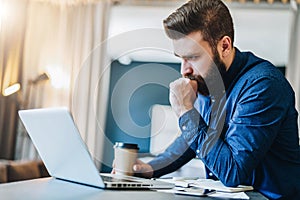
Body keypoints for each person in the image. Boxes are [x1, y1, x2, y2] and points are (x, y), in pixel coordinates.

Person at [112, 0, 300, 199]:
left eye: (193, 57)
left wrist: (185, 111)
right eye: (181, 58)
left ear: (225, 46)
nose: (185, 70)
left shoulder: (262, 86)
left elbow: (232, 172)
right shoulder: (208, 83)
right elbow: (189, 140)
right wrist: (150, 168)